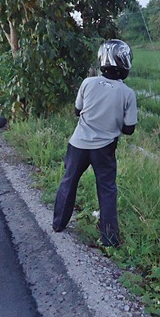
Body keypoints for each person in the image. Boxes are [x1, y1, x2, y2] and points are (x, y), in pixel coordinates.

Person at [52, 39, 137, 247]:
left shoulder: (88, 82)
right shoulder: (127, 93)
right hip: (104, 149)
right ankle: (109, 239)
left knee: (68, 181)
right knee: (107, 189)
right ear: (124, 63)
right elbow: (129, 129)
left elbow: (77, 111)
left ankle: (58, 225)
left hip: (78, 144)